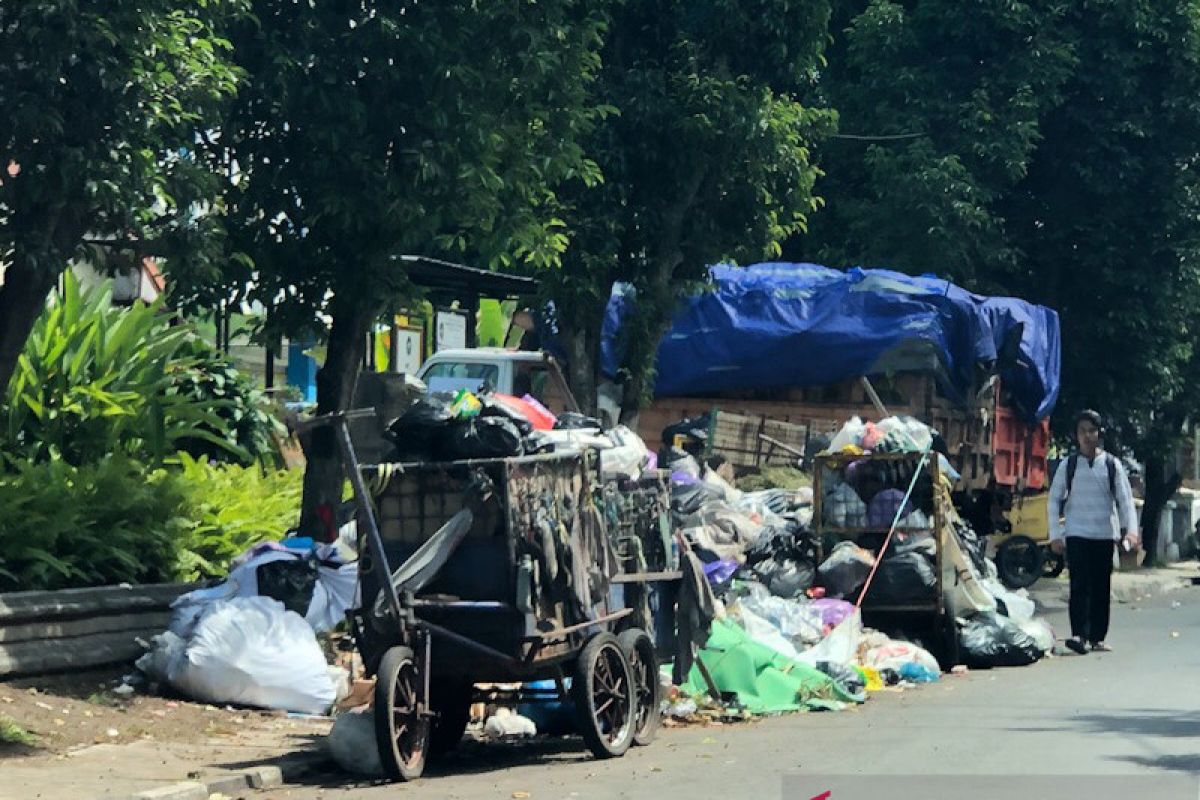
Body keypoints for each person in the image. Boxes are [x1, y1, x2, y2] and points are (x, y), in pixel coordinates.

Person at [1047, 409, 1140, 654]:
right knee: (1079, 585)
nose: (1087, 436)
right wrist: (1055, 534)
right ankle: (1079, 635)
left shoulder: (1111, 465)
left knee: (1101, 586)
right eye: (1082, 431)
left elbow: (1125, 500)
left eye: (1092, 431)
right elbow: (1054, 500)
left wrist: (1131, 532)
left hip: (1103, 535)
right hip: (1076, 533)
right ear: (1076, 436)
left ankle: (1097, 637)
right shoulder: (1069, 465)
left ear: (1099, 434)